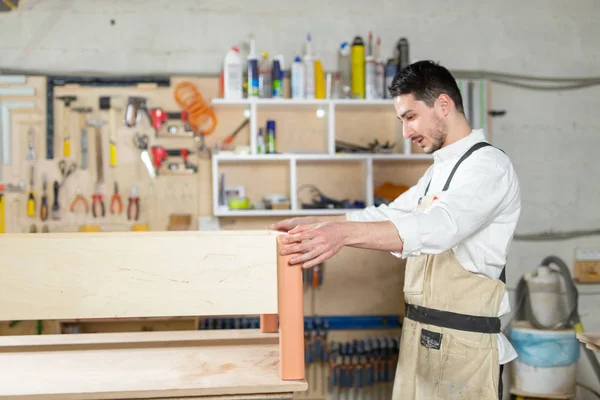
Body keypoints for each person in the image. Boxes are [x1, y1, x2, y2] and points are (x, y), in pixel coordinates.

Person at [270, 60, 521, 400]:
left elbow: (440, 228)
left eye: (410, 116)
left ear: (443, 105)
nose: (405, 132)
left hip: (465, 347)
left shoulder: (488, 167)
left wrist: (341, 236)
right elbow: (389, 213)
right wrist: (321, 225)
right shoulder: (439, 172)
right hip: (420, 335)